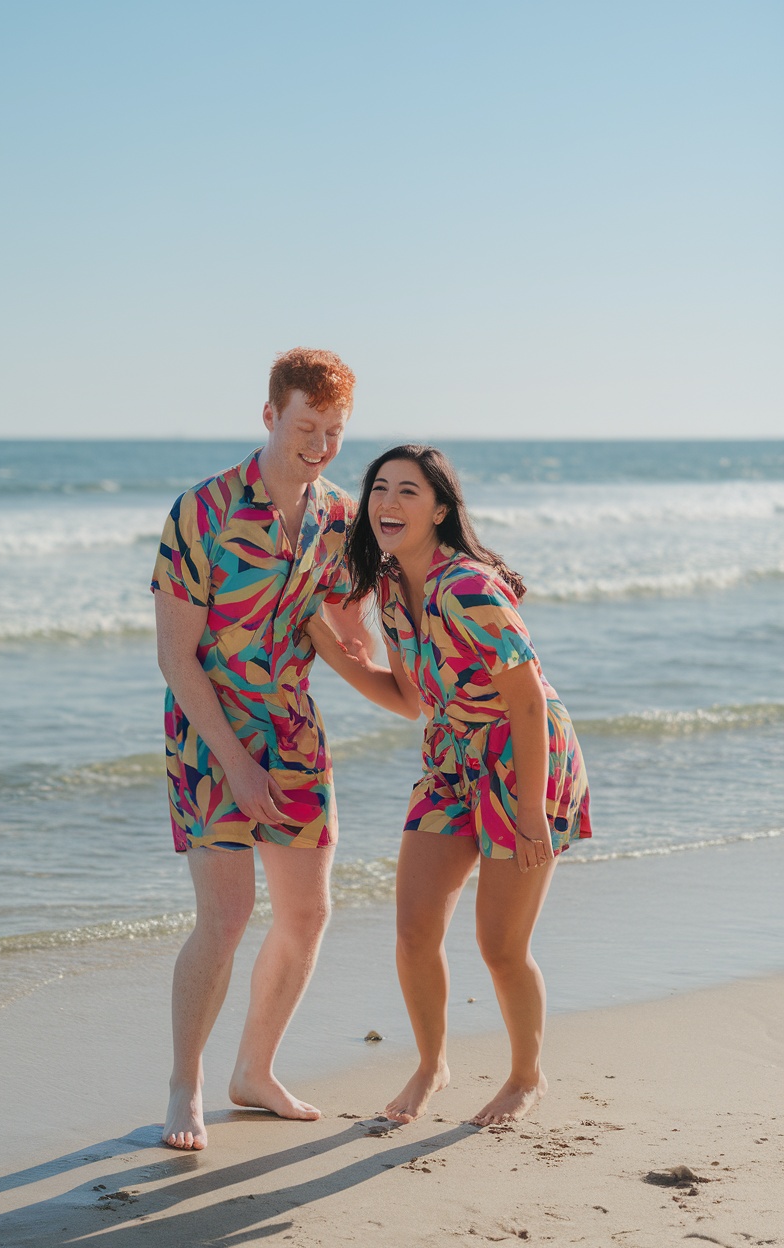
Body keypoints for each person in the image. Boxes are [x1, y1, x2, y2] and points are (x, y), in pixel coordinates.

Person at [305, 444, 591, 1126]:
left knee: (499, 945)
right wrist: (323, 641)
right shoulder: (391, 593)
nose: (387, 503)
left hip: (524, 759)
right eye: (379, 489)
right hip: (452, 759)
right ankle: (432, 1065)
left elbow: (525, 701)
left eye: (408, 490)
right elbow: (410, 699)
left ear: (440, 508)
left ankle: (526, 1076)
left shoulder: (468, 586)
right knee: (412, 932)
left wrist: (528, 811)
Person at [151, 348, 371, 1150]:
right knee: (227, 914)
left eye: (335, 431)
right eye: (307, 426)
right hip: (209, 735)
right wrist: (235, 764)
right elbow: (177, 658)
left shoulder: (343, 520)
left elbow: (350, 635)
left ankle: (256, 1070)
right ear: (271, 415)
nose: (319, 445)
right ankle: (187, 1084)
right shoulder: (201, 511)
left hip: (295, 731)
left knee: (308, 911)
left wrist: (420, 675)